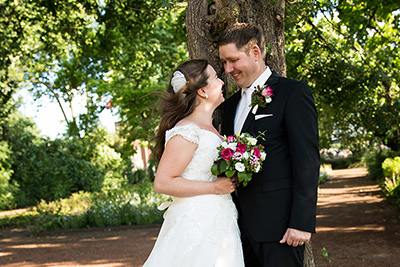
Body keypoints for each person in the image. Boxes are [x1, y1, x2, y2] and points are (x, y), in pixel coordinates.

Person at [217, 23, 320, 266]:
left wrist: (301, 222)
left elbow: (307, 160)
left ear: (255, 52)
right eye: (224, 62)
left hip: (281, 228)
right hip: (238, 228)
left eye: (233, 60)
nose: (228, 69)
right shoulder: (230, 105)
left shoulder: (293, 93)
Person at [143, 59, 244, 267]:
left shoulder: (214, 128)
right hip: (196, 223)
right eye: (216, 78)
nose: (222, 82)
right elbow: (163, 182)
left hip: (221, 220)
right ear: (203, 92)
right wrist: (214, 187)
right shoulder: (187, 130)